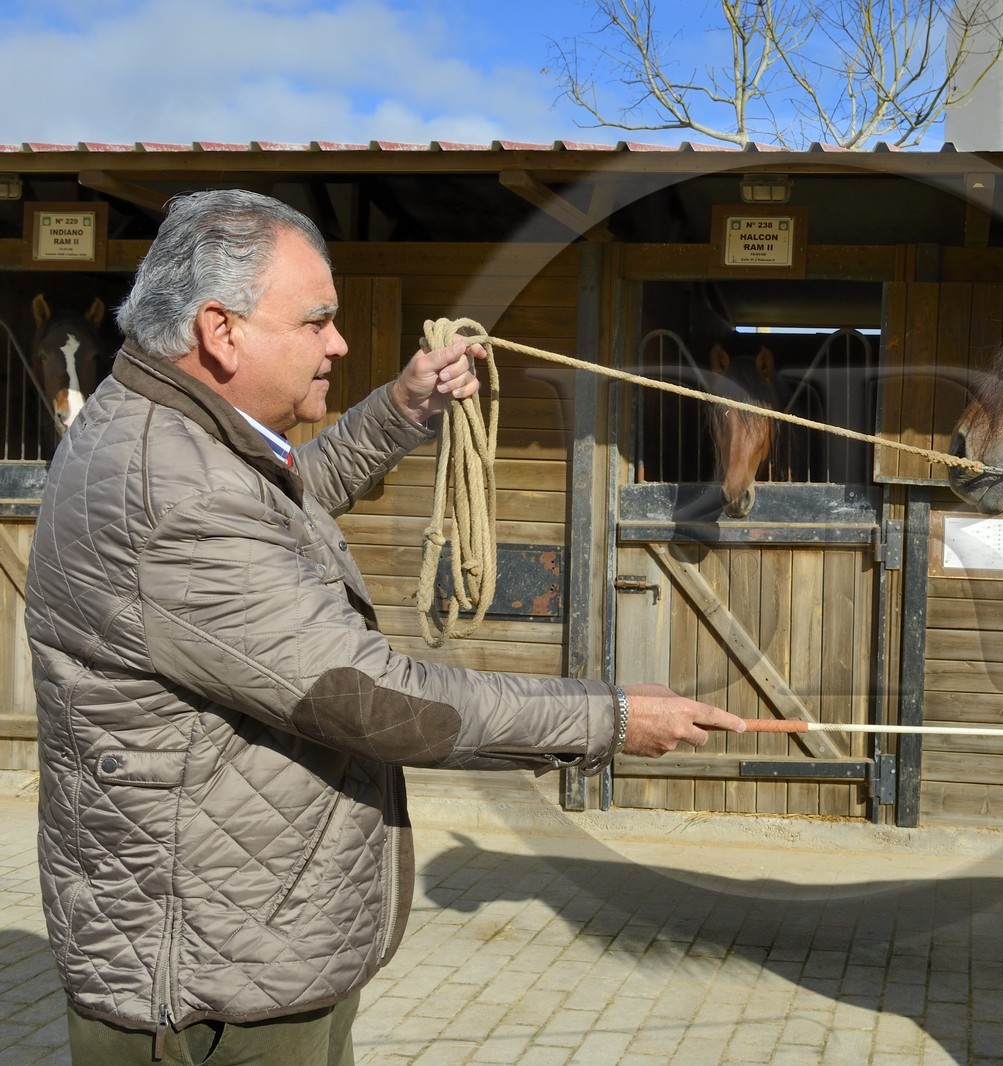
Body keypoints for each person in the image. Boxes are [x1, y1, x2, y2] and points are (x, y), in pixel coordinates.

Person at [24, 188, 745, 1065]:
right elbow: (370, 699)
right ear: (221, 331)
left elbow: (284, 501)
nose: (339, 343)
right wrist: (614, 717)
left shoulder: (175, 432)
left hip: (241, 942)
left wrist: (401, 409)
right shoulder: (176, 492)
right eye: (318, 321)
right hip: (216, 990)